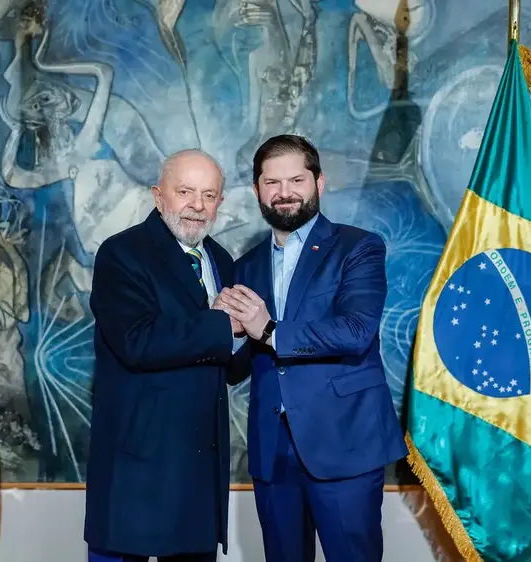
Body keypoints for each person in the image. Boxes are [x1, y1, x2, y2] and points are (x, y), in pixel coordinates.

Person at [218, 135, 408, 562]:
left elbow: (356, 331)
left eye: (296, 180)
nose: (284, 192)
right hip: (272, 449)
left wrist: (267, 329)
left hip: (344, 442)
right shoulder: (245, 266)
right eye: (272, 183)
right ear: (257, 190)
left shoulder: (358, 247)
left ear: (320, 183)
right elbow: (238, 366)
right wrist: (229, 332)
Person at [85, 149, 243, 562]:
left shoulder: (222, 260)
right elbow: (137, 342)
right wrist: (226, 325)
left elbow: (227, 364)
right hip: (136, 469)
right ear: (159, 196)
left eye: (209, 195)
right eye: (185, 191)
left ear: (220, 204)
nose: (197, 205)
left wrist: (256, 332)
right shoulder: (121, 253)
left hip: (197, 472)